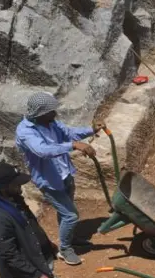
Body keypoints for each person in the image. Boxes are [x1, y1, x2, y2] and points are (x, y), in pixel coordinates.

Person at [15, 91, 105, 266]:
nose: (55, 114)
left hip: (64, 174)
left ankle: (70, 237)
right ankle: (65, 249)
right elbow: (42, 150)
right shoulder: (25, 132)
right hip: (49, 181)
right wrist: (73, 145)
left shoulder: (50, 122)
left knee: (65, 213)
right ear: (41, 113)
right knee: (70, 215)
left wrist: (91, 130)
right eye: (51, 111)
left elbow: (69, 132)